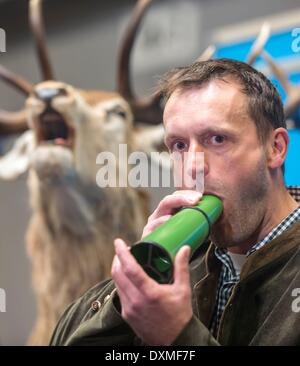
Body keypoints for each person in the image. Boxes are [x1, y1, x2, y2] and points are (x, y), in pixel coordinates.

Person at [49, 59, 300, 346]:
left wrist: (178, 336)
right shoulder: (179, 264)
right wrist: (132, 290)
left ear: (275, 148)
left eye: (218, 139)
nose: (192, 166)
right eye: (179, 145)